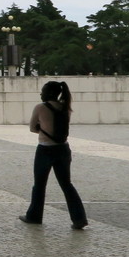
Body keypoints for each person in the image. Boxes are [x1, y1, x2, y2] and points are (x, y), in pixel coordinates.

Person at [19, 80, 88, 230]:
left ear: (49, 93)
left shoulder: (40, 108)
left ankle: (34, 216)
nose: (41, 94)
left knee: (39, 185)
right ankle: (79, 218)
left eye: (43, 91)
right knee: (67, 184)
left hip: (45, 149)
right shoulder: (66, 108)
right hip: (63, 149)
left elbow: (32, 128)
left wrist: (43, 130)